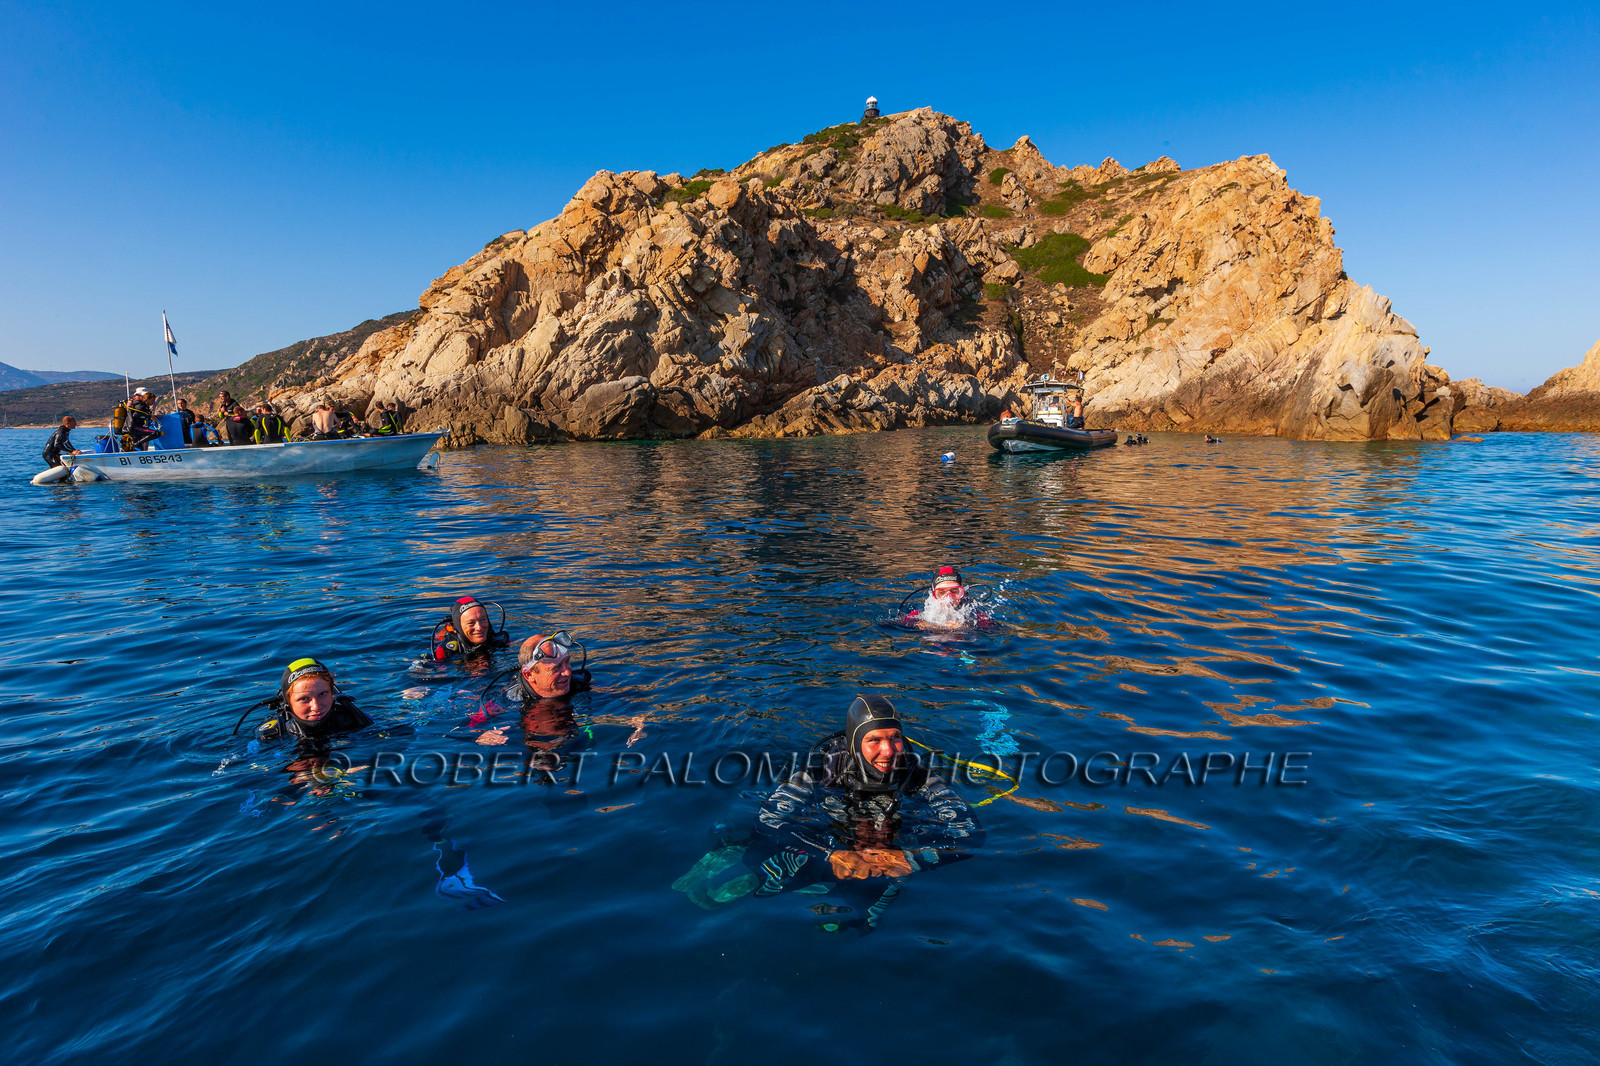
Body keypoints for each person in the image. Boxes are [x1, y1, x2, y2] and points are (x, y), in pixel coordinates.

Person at [675, 696, 983, 920]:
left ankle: (828, 901)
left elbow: (970, 835)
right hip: (825, 832)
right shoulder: (820, 771)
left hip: (879, 844)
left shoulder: (918, 777)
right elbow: (769, 821)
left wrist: (909, 858)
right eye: (874, 740)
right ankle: (743, 866)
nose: (889, 751)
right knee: (756, 847)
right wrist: (830, 853)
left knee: (863, 916)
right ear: (855, 743)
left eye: (895, 738)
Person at [243, 657, 373, 743]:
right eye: (304, 699)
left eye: (322, 694)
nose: (316, 706)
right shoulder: (273, 734)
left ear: (333, 693)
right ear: (288, 702)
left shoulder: (352, 717)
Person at [429, 596, 510, 661]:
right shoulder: (444, 652)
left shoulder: (498, 639)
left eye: (483, 619)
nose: (479, 627)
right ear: (458, 626)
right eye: (471, 623)